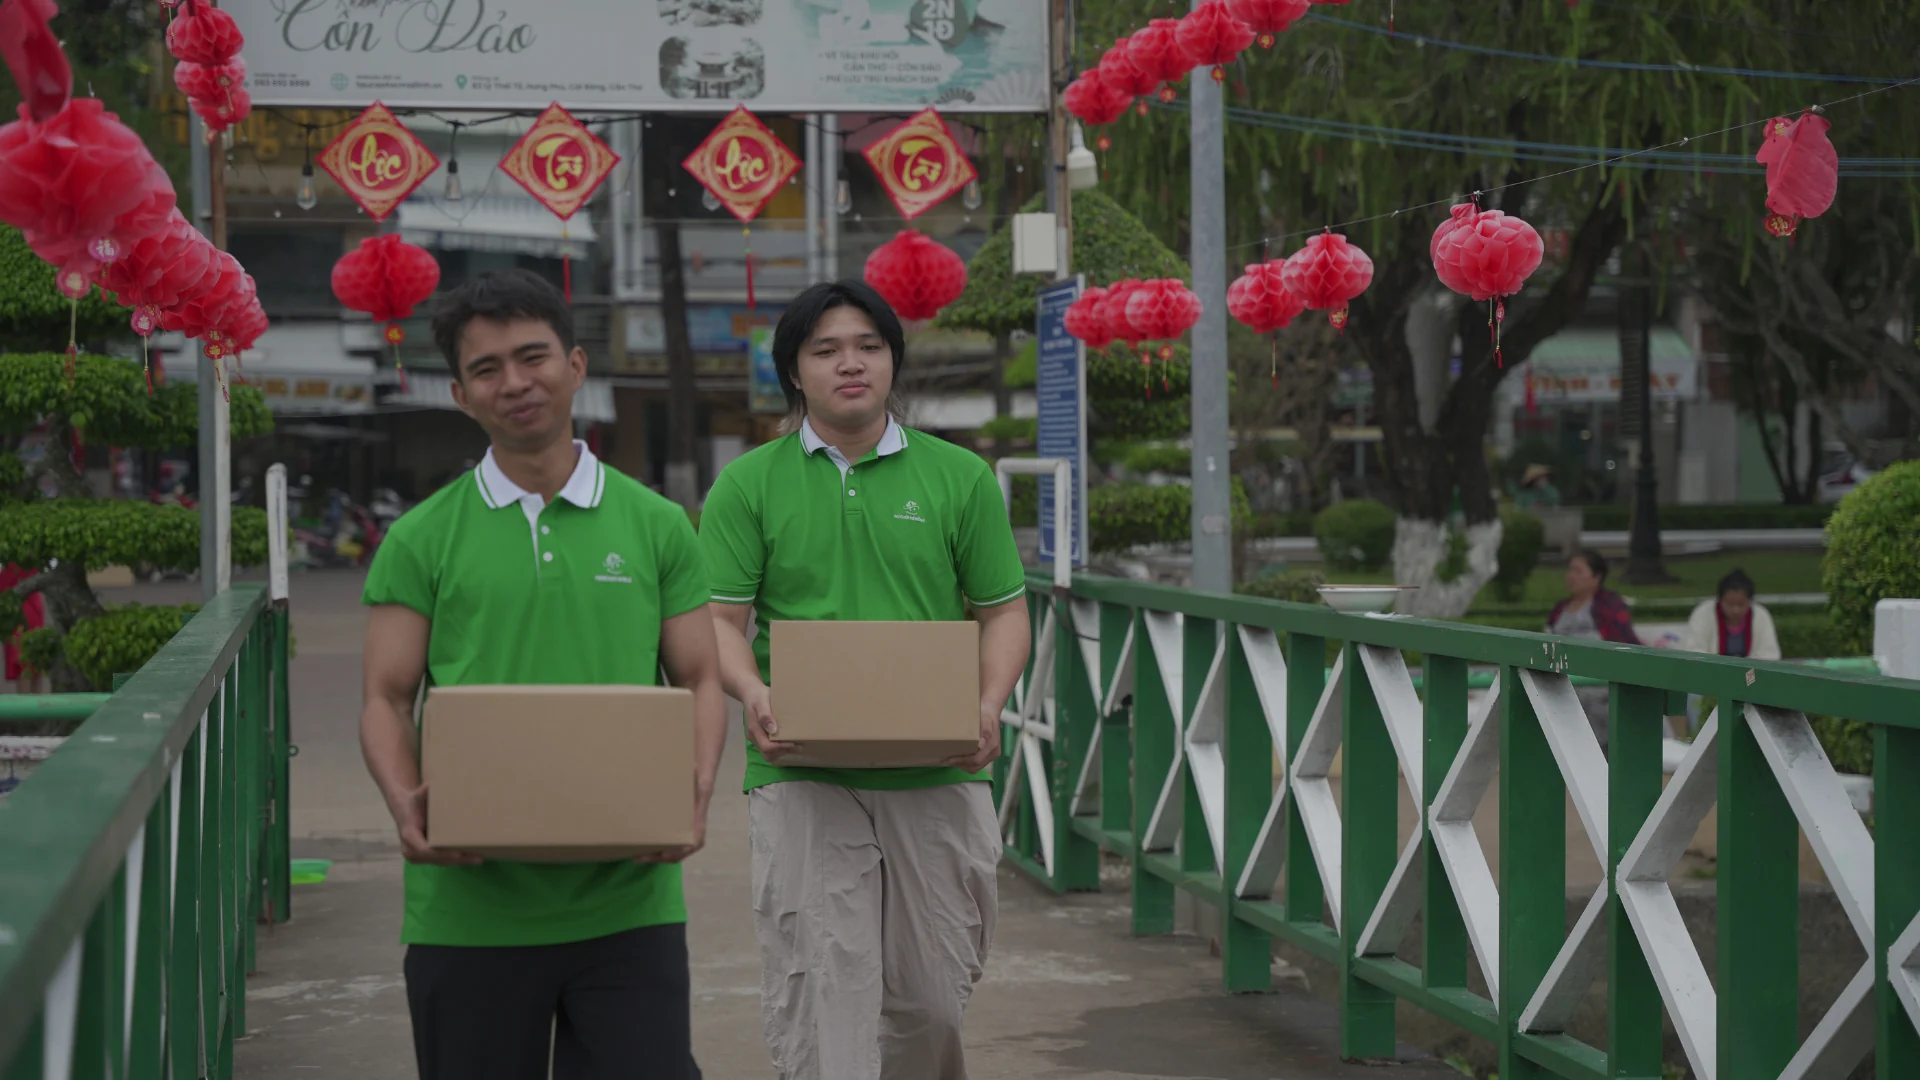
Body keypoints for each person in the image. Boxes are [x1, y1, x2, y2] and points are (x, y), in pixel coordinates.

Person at [358, 269, 726, 1080]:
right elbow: (385, 696)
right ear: (461, 395)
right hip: (468, 905)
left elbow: (700, 677)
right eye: (487, 369)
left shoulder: (658, 525)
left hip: (628, 897)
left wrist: (694, 794)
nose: (516, 383)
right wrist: (403, 801)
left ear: (576, 365)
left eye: (533, 357)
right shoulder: (422, 537)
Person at [699, 280, 1033, 1080]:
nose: (850, 364)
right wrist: (753, 692)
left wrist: (988, 704)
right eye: (826, 350)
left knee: (933, 999)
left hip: (938, 765)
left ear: (892, 361)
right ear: (794, 371)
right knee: (825, 995)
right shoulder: (748, 484)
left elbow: (1004, 613)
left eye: (868, 347)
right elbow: (717, 622)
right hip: (802, 767)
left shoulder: (960, 477)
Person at [1546, 549, 1637, 749]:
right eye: (1570, 570)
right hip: (1563, 678)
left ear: (1596, 577)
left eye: (1578, 571)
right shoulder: (1559, 609)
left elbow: (1626, 645)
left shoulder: (1609, 606)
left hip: (1600, 680)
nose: (1571, 576)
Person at [1681, 569, 1781, 660]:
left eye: (1741, 604)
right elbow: (1693, 650)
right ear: (1720, 600)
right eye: (1730, 604)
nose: (1735, 610)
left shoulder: (1761, 615)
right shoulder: (1703, 613)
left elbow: (1770, 654)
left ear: (1750, 601)